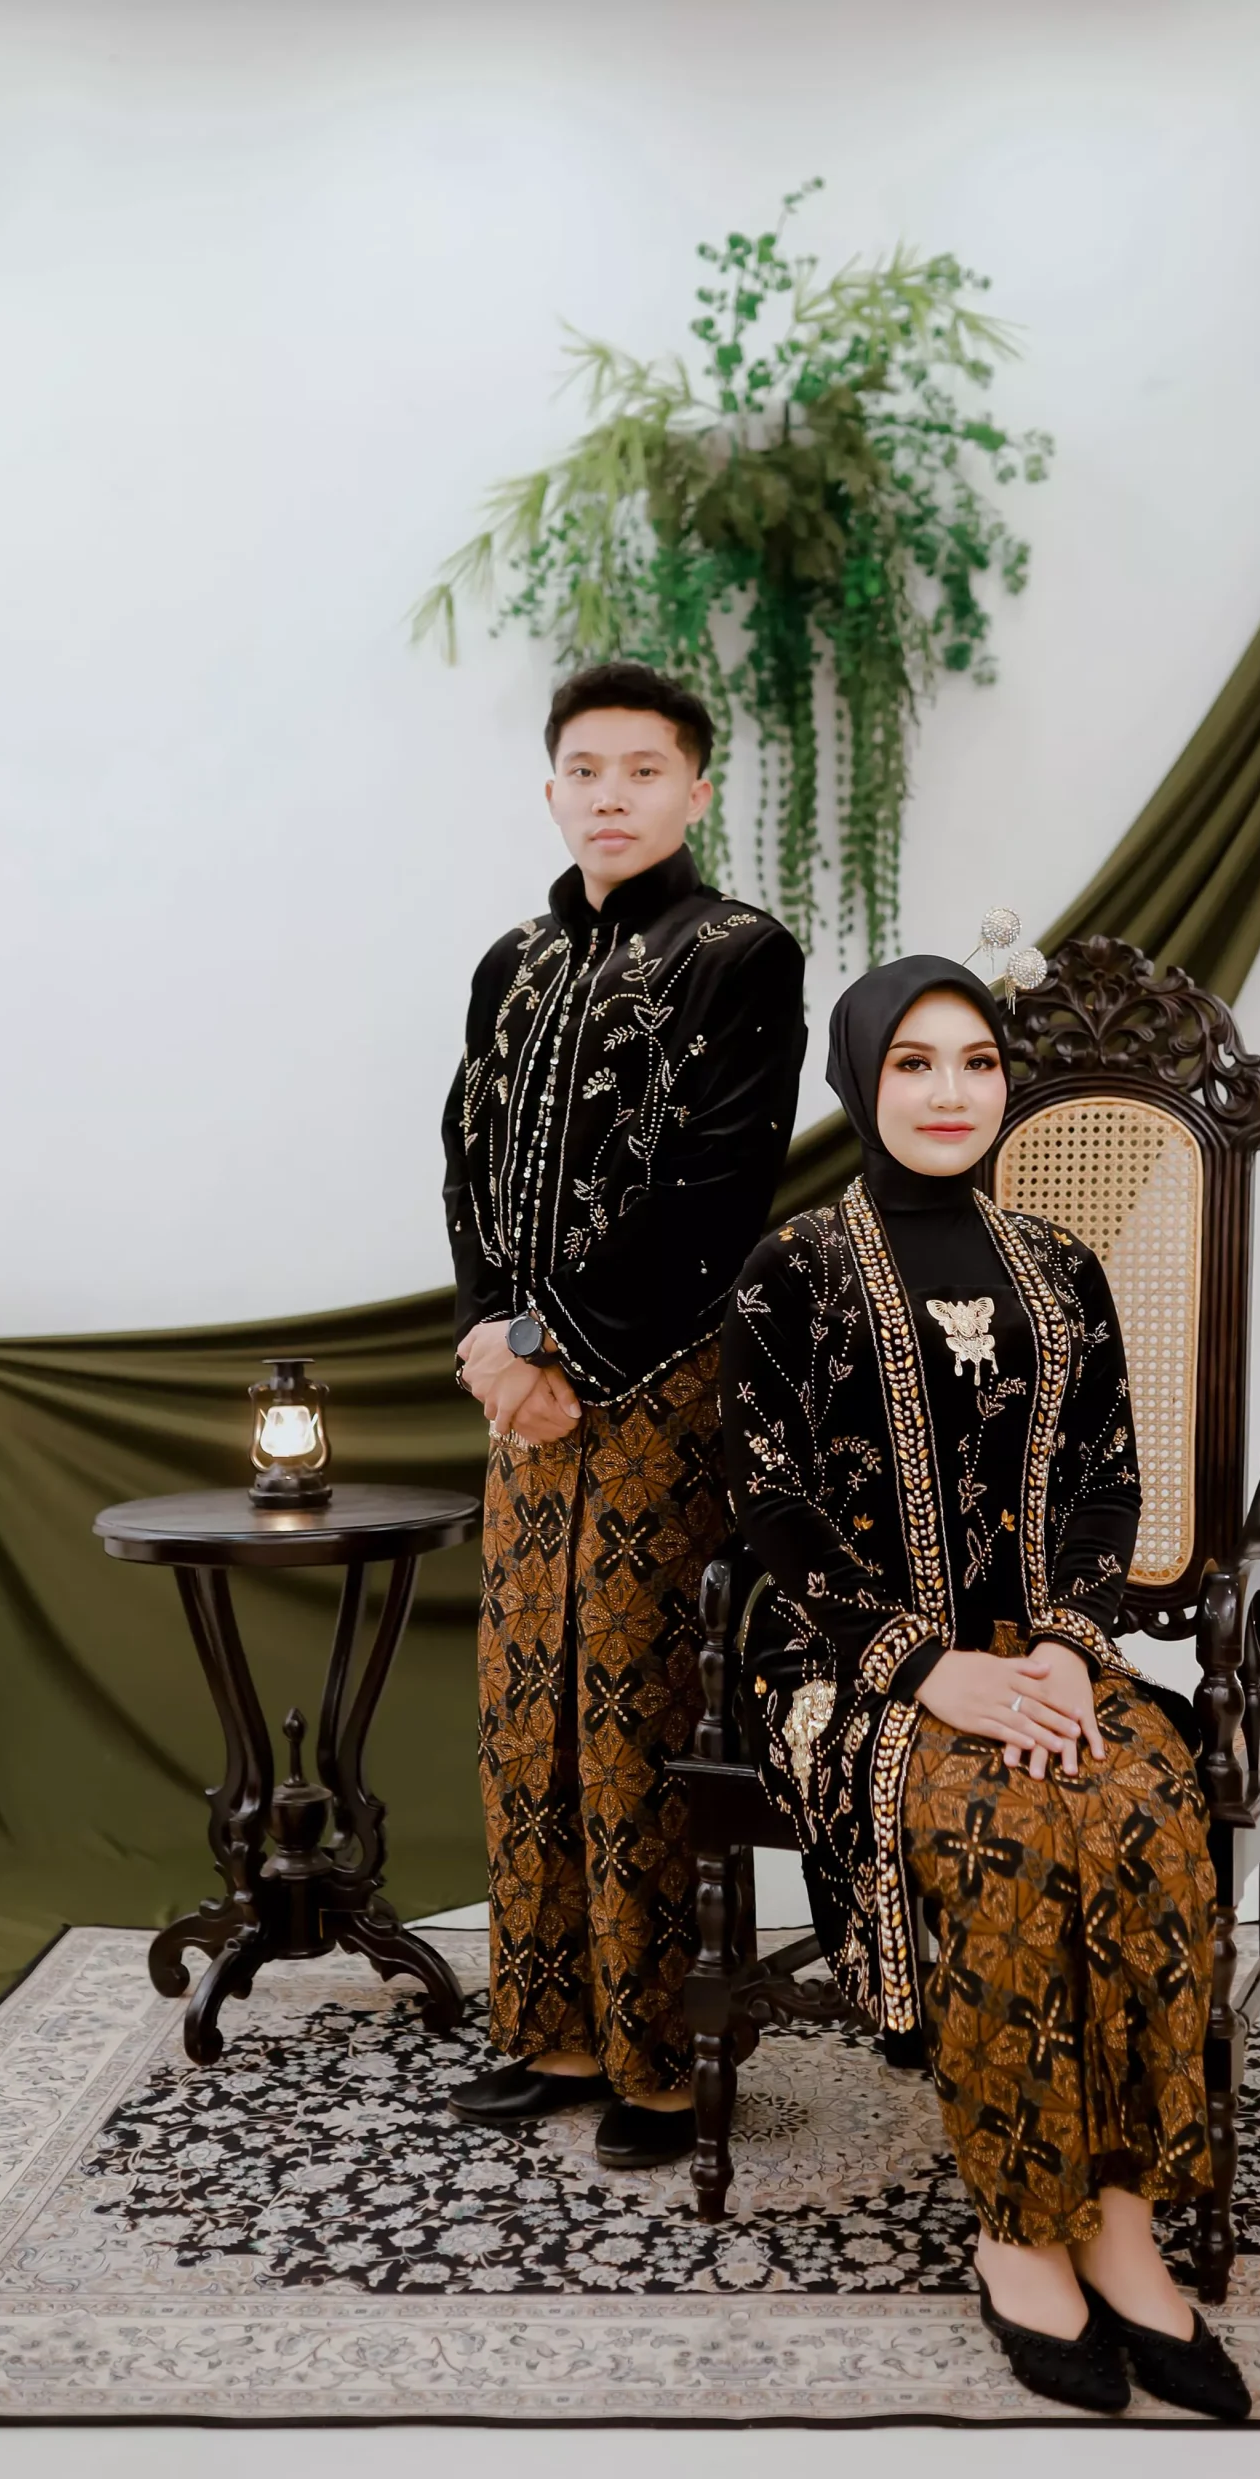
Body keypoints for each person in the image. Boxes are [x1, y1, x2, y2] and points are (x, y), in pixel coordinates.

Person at [719, 954, 1249, 2417]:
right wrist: (926, 1670)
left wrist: (1068, 1647)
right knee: (1006, 1829)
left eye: (975, 1062)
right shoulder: (791, 1273)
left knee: (1139, 1810)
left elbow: (1105, 1485)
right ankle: (1018, 2229)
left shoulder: (1059, 1265)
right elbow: (770, 1511)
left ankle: (1121, 2222)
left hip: (1044, 1656)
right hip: (849, 1667)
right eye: (913, 1064)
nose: (950, 1093)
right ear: (859, 1081)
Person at [443, 660, 806, 2169]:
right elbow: (466, 1160)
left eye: (643, 770)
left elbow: (720, 1189)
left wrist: (559, 1349)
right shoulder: (514, 961)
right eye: (585, 770)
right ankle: (551, 2031)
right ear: (551, 790)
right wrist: (493, 1340)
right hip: (522, 1395)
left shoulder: (740, 953)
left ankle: (663, 2059)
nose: (611, 795)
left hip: (660, 1384)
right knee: (528, 1698)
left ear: (694, 791)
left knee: (640, 1702)